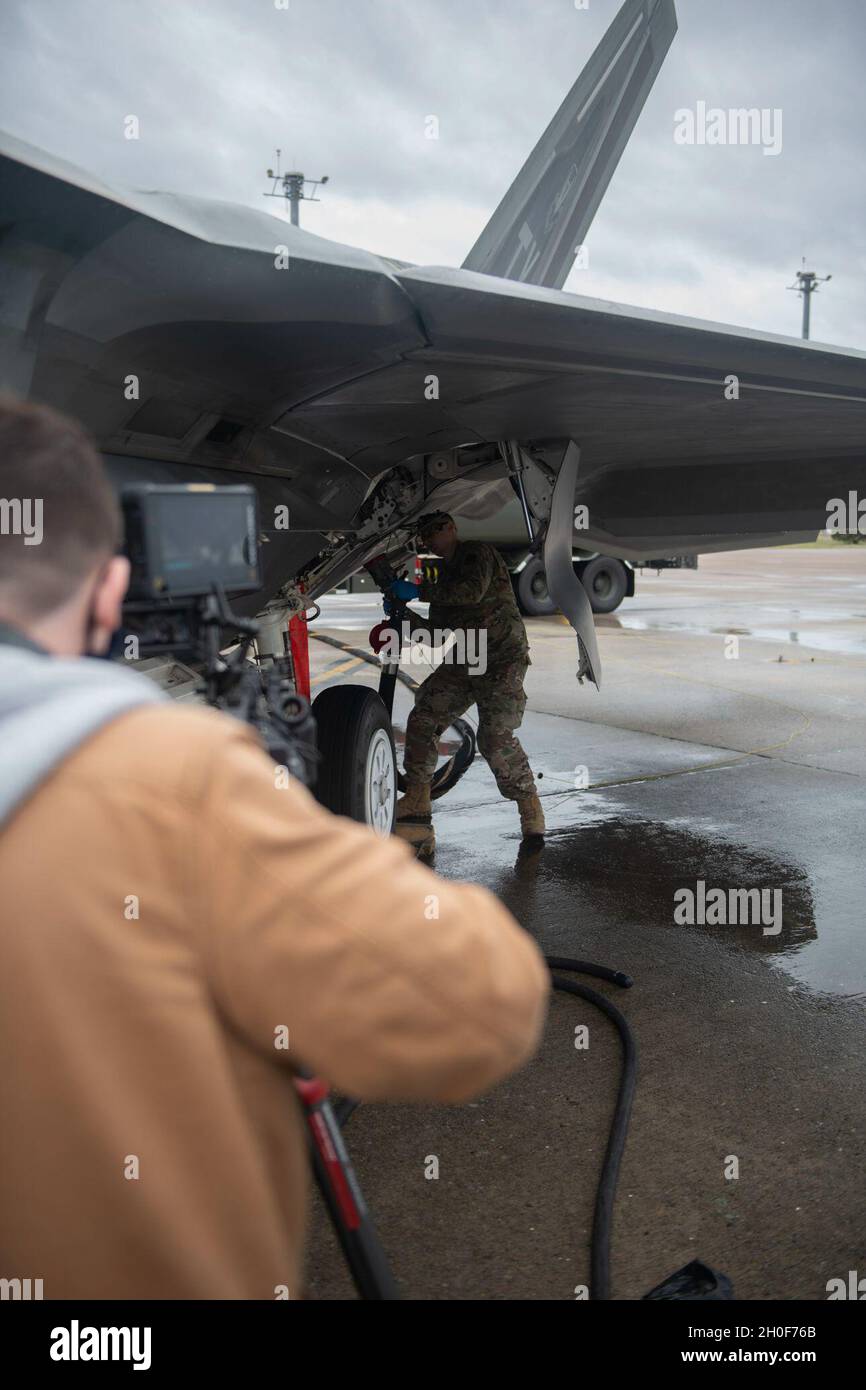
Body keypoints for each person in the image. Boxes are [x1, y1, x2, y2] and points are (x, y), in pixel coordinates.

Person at [0, 397, 549, 1299]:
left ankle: (526, 819)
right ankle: (423, 811)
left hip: (492, 671)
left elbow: (470, 625)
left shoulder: (479, 564)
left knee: (492, 747)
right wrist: (263, 804)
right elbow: (484, 1010)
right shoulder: (167, 787)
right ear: (108, 593)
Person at [392, 512, 546, 844]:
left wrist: (417, 591)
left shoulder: (477, 553)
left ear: (452, 529)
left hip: (502, 657)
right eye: (426, 535)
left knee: (494, 738)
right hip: (467, 657)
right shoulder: (441, 573)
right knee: (423, 718)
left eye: (437, 530)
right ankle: (418, 796)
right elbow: (435, 634)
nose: (432, 539)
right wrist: (402, 616)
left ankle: (529, 807)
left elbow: (471, 592)